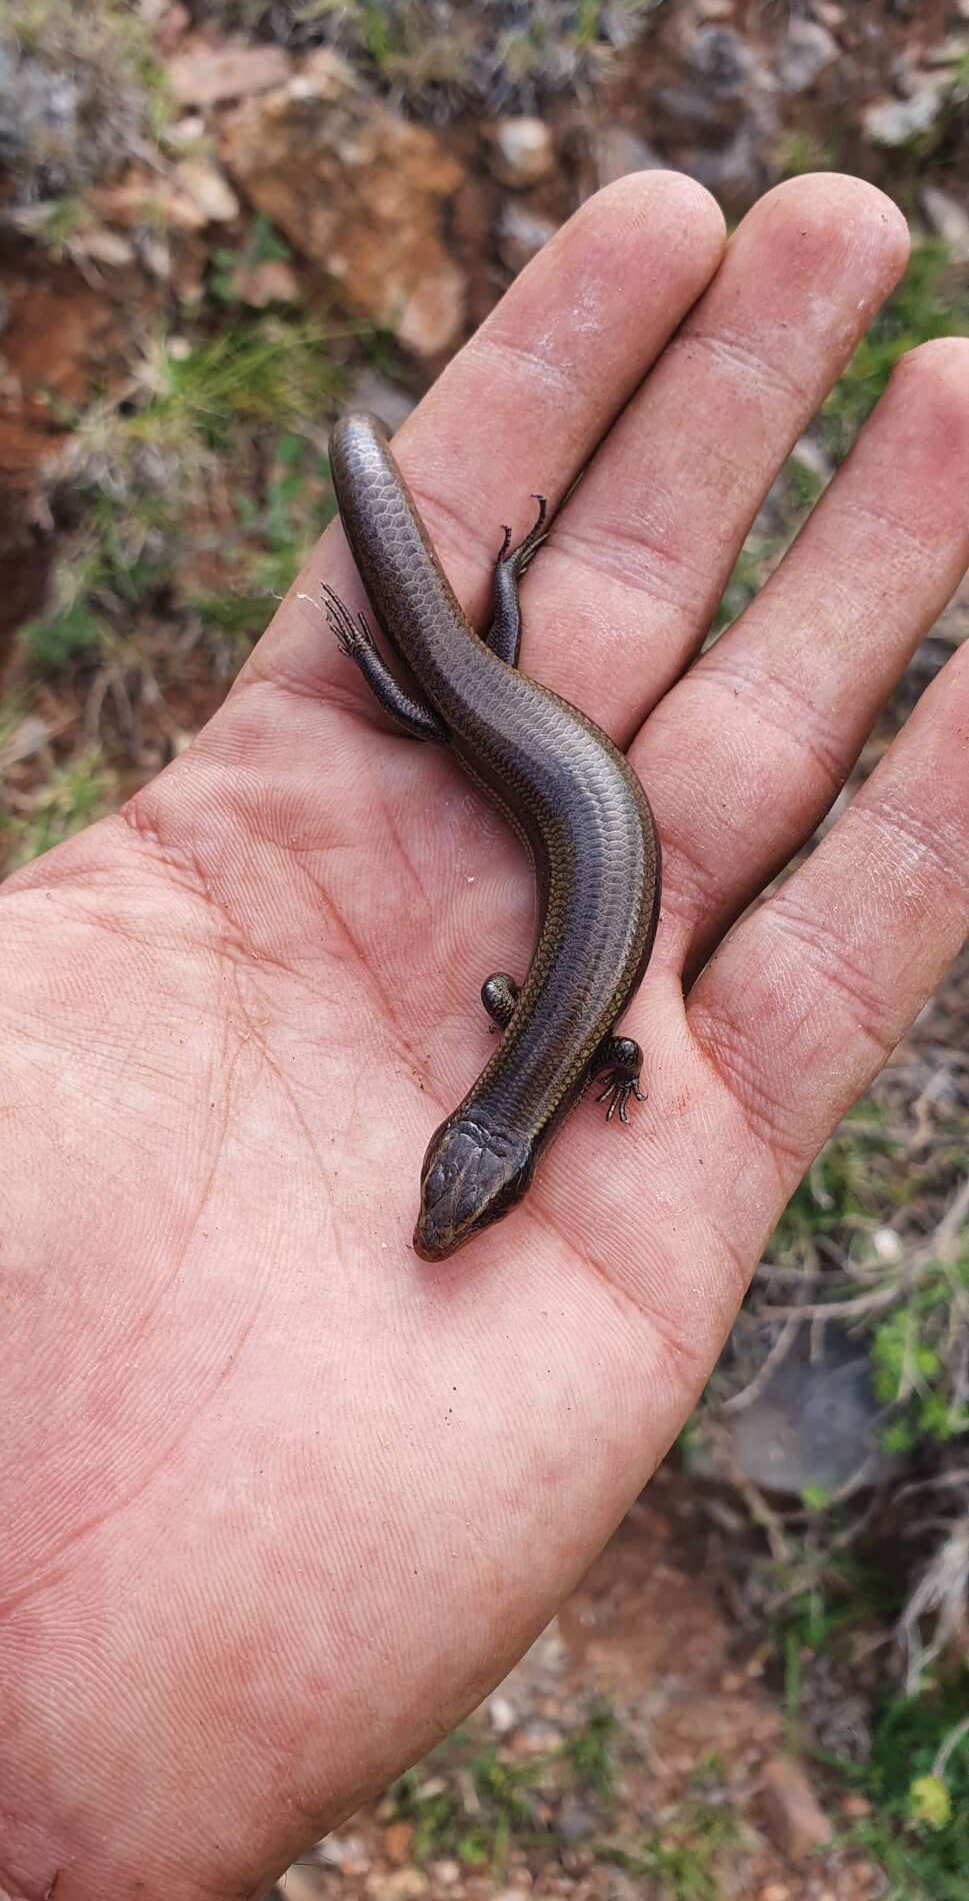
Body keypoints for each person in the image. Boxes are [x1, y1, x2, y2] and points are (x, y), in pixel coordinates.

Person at [2, 171, 968, 1901]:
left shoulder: (544, 1057)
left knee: (436, 693)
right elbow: (535, 1008)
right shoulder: (518, 1050)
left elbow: (565, 1022)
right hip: (541, 764)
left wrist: (601, 1058)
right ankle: (441, 620)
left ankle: (443, 621)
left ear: (489, 1150)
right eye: (457, 1203)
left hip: (542, 763)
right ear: (486, 1152)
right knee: (435, 692)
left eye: (447, 1200)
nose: (439, 1216)